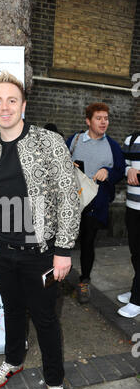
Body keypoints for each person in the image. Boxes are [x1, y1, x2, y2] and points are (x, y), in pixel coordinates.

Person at [0, 72, 80, 389]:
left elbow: (68, 197)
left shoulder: (49, 142)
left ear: (23, 105)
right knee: (13, 310)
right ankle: (14, 360)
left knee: (46, 319)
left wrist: (63, 250)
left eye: (11, 100)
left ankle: (55, 383)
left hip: (44, 256)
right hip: (2, 255)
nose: (5, 107)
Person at [66, 103, 125, 304]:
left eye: (106, 118)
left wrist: (108, 173)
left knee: (88, 243)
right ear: (88, 121)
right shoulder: (74, 141)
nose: (103, 122)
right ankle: (54, 278)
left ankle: (84, 281)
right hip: (71, 202)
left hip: (95, 205)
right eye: (99, 118)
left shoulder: (113, 146)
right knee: (62, 241)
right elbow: (60, 164)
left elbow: (120, 170)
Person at [117, 132, 140, 318]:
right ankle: (136, 288)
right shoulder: (131, 140)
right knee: (135, 253)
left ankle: (137, 299)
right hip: (132, 206)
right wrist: (128, 170)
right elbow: (121, 164)